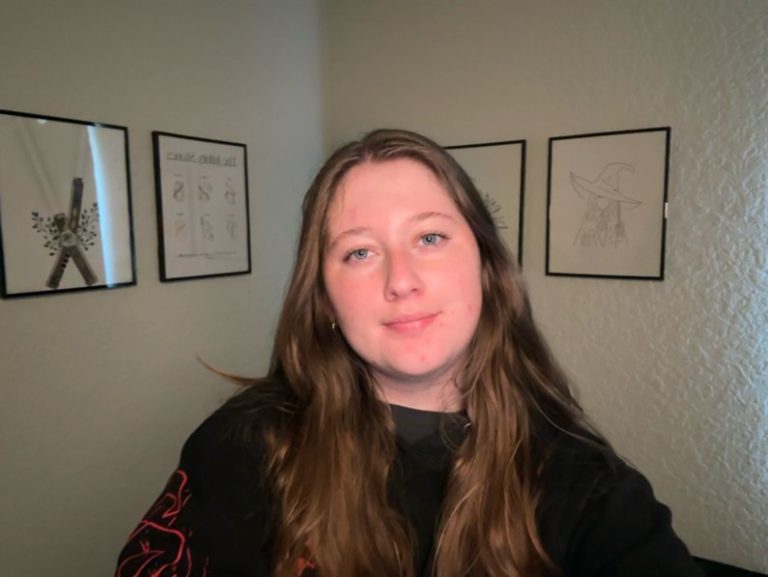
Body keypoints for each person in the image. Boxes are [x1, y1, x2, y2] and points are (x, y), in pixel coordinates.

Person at [115, 129, 703, 577]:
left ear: (487, 266)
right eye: (360, 253)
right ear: (322, 298)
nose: (401, 280)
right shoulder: (245, 446)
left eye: (430, 238)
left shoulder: (587, 488)